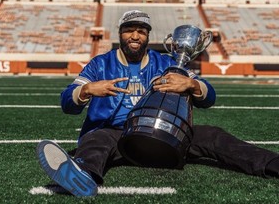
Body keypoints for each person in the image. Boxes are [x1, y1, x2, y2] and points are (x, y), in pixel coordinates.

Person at [36, 10, 279, 197]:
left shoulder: (165, 63)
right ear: (120, 33)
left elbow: (210, 97)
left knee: (214, 136)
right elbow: (67, 102)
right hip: (118, 138)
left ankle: (272, 164)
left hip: (164, 136)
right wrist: (87, 89)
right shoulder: (99, 64)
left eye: (141, 31)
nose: (135, 35)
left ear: (148, 36)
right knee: (96, 139)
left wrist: (191, 85)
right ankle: (82, 176)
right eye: (129, 29)